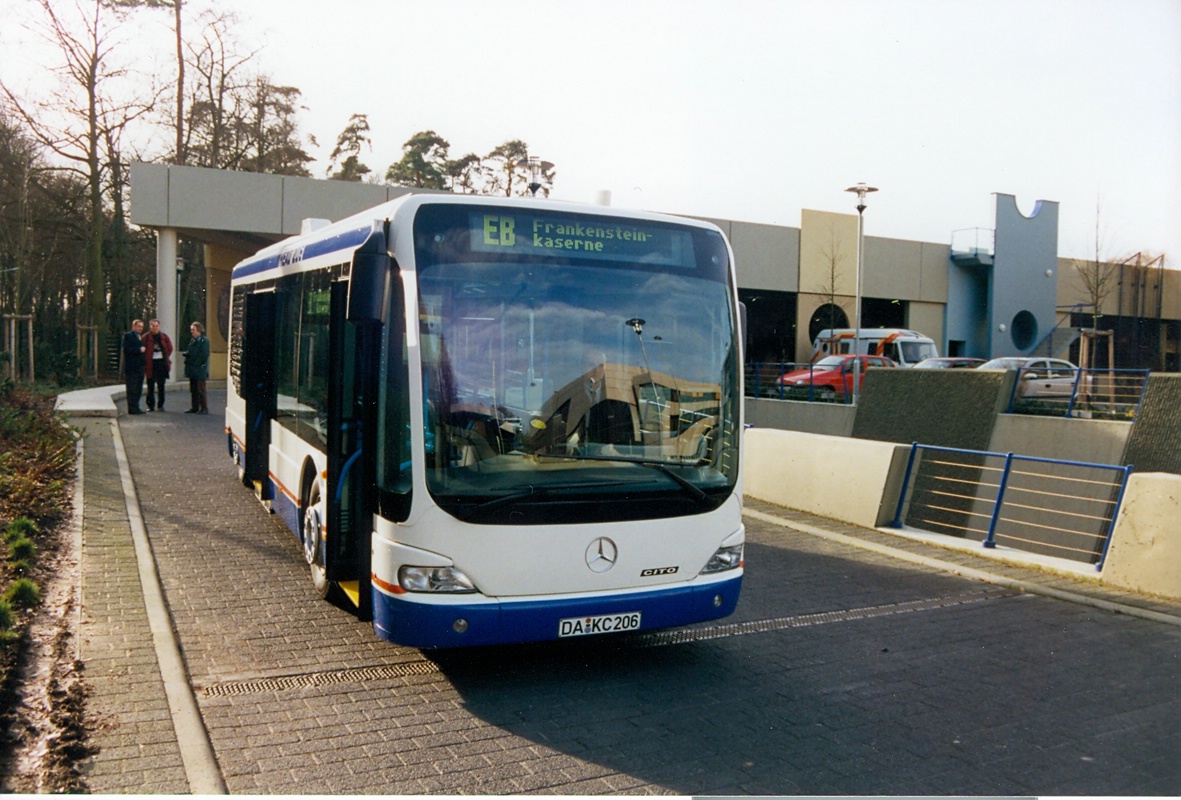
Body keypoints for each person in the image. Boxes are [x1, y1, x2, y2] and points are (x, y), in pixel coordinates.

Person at [142, 319, 173, 412]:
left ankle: (161, 405)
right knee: (150, 386)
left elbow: (170, 348)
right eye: (153, 326)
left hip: (161, 364)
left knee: (161, 386)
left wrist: (165, 356)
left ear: (159, 326)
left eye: (156, 326)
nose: (155, 328)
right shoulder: (145, 337)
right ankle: (150, 406)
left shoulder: (164, 337)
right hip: (150, 364)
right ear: (150, 327)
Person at [183, 321, 210, 415]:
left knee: (200, 389)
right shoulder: (193, 340)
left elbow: (204, 355)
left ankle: (204, 408)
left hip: (199, 369)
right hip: (192, 369)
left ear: (198, 330)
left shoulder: (204, 341)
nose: (192, 332)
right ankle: (194, 407)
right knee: (193, 389)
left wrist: (195, 363)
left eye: (193, 330)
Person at [121, 319, 146, 415]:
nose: (140, 329)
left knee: (138, 388)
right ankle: (132, 408)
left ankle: (136, 407)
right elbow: (127, 349)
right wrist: (139, 350)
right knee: (132, 388)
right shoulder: (129, 336)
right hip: (132, 367)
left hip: (140, 366)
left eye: (142, 327)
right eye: (139, 326)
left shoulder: (140, 337)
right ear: (134, 326)